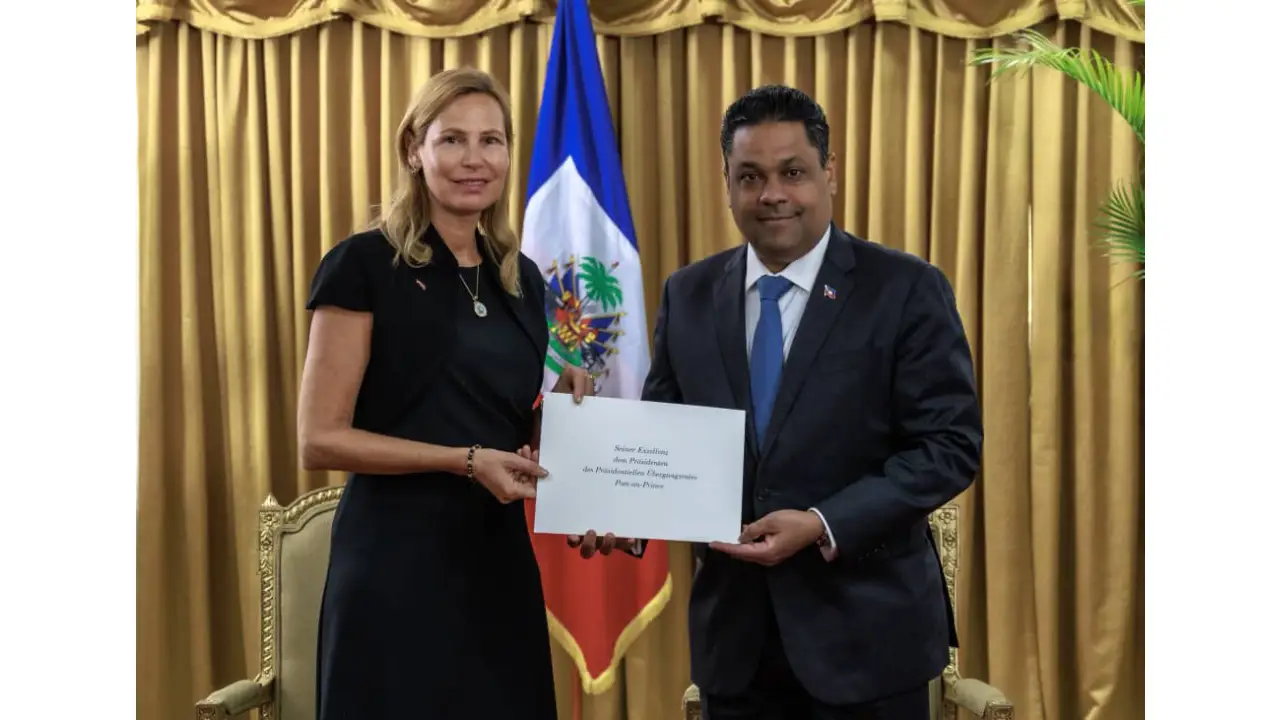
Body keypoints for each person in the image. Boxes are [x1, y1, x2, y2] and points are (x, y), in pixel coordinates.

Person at [581, 85, 983, 719]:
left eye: (792, 172)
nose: (772, 193)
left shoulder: (904, 289)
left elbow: (950, 447)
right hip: (735, 652)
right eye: (751, 176)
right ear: (728, 182)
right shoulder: (688, 294)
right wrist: (624, 509)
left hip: (869, 647)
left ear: (829, 172)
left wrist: (824, 521)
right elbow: (666, 436)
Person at [297, 67, 592, 720]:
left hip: (496, 565)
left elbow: (500, 421)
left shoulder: (524, 282)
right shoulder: (363, 265)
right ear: (414, 149)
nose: (474, 159)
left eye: (491, 141)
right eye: (452, 139)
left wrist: (572, 425)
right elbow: (319, 438)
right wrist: (462, 459)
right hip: (393, 566)